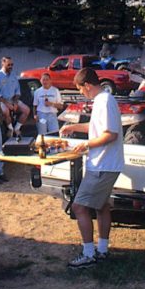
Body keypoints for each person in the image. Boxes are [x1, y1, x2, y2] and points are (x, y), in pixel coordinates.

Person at [59, 68, 124, 269]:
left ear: (87, 85)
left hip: (103, 165)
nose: (81, 94)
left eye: (81, 90)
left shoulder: (104, 101)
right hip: (106, 164)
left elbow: (110, 135)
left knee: (79, 207)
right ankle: (102, 250)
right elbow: (97, 127)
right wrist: (73, 127)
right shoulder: (102, 100)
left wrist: (87, 145)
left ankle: (88, 254)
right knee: (102, 206)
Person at [0, 56, 30, 136]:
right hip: (1, 101)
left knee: (26, 110)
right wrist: (7, 104)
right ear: (3, 63)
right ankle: (10, 129)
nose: (11, 66)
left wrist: (15, 102)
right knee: (6, 111)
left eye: (12, 65)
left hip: (12, 100)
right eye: (8, 64)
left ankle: (17, 129)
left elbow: (17, 92)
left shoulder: (13, 75)